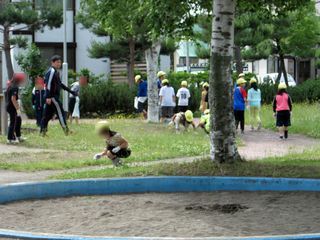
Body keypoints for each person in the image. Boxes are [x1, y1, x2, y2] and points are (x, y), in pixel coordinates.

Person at [40, 55, 77, 136]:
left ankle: (42, 132)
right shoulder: (51, 71)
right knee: (61, 113)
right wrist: (48, 96)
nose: (59, 64)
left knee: (46, 116)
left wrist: (71, 91)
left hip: (51, 97)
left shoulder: (56, 72)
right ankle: (66, 131)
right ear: (52, 62)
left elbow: (60, 84)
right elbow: (47, 84)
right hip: (52, 97)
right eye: (57, 62)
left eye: (60, 62)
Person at [6, 73, 26, 144]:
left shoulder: (11, 85)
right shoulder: (14, 87)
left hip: (11, 106)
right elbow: (13, 99)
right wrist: (17, 109)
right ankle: (10, 139)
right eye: (22, 79)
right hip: (12, 107)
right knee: (13, 122)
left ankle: (18, 136)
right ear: (19, 79)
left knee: (18, 120)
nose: (23, 80)